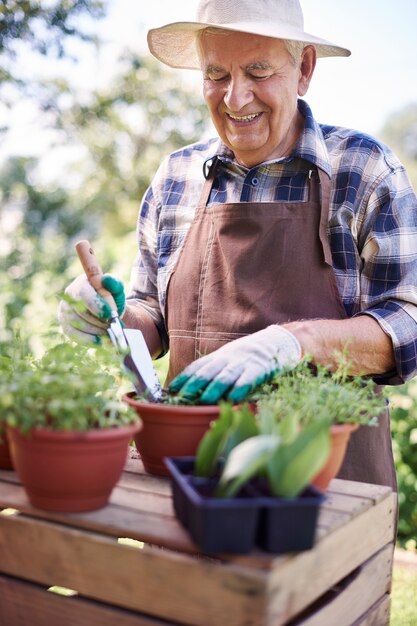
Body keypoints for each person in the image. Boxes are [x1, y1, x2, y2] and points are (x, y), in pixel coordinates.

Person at [59, 0, 417, 490]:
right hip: (186, 480)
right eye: (217, 74)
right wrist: (109, 319)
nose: (235, 97)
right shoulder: (176, 177)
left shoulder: (364, 169)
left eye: (257, 71)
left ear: (304, 68)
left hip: (322, 491)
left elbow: (408, 322)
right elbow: (153, 319)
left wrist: (296, 344)